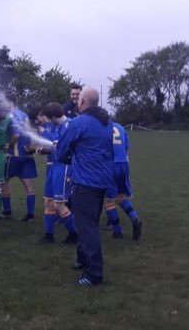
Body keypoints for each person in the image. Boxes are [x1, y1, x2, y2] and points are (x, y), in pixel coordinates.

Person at [57, 88, 114, 287]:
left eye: (78, 100)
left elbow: (61, 152)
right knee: (87, 222)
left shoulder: (79, 122)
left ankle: (94, 274)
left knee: (88, 228)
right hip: (102, 181)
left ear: (81, 102)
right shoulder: (107, 122)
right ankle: (82, 259)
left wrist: (69, 155)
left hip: (85, 182)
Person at [39, 103, 78, 243]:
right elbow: (58, 147)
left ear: (53, 117)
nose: (48, 121)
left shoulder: (70, 126)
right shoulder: (60, 126)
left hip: (64, 167)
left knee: (59, 204)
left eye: (48, 118)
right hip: (54, 166)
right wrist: (46, 150)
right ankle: (49, 235)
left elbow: (67, 149)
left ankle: (75, 235)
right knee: (48, 201)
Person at [2, 96, 37, 222]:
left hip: (14, 156)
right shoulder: (24, 115)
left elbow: (16, 134)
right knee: (28, 186)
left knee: (3, 181)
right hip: (27, 154)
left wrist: (8, 146)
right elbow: (31, 132)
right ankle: (30, 215)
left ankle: (7, 212)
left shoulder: (12, 116)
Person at [104, 122, 142, 239]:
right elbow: (126, 145)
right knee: (120, 197)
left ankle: (117, 231)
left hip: (110, 165)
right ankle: (134, 217)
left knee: (108, 200)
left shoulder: (102, 127)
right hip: (123, 164)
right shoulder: (119, 127)